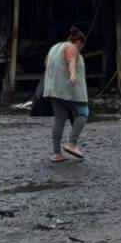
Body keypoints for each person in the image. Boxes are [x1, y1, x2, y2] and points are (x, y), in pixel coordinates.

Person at [41, 26, 89, 163]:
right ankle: (72, 144)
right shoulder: (72, 47)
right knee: (83, 113)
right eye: (82, 46)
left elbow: (46, 63)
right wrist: (73, 74)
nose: (81, 49)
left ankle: (57, 154)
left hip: (53, 89)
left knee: (60, 119)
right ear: (80, 41)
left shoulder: (54, 48)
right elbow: (71, 61)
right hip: (69, 90)